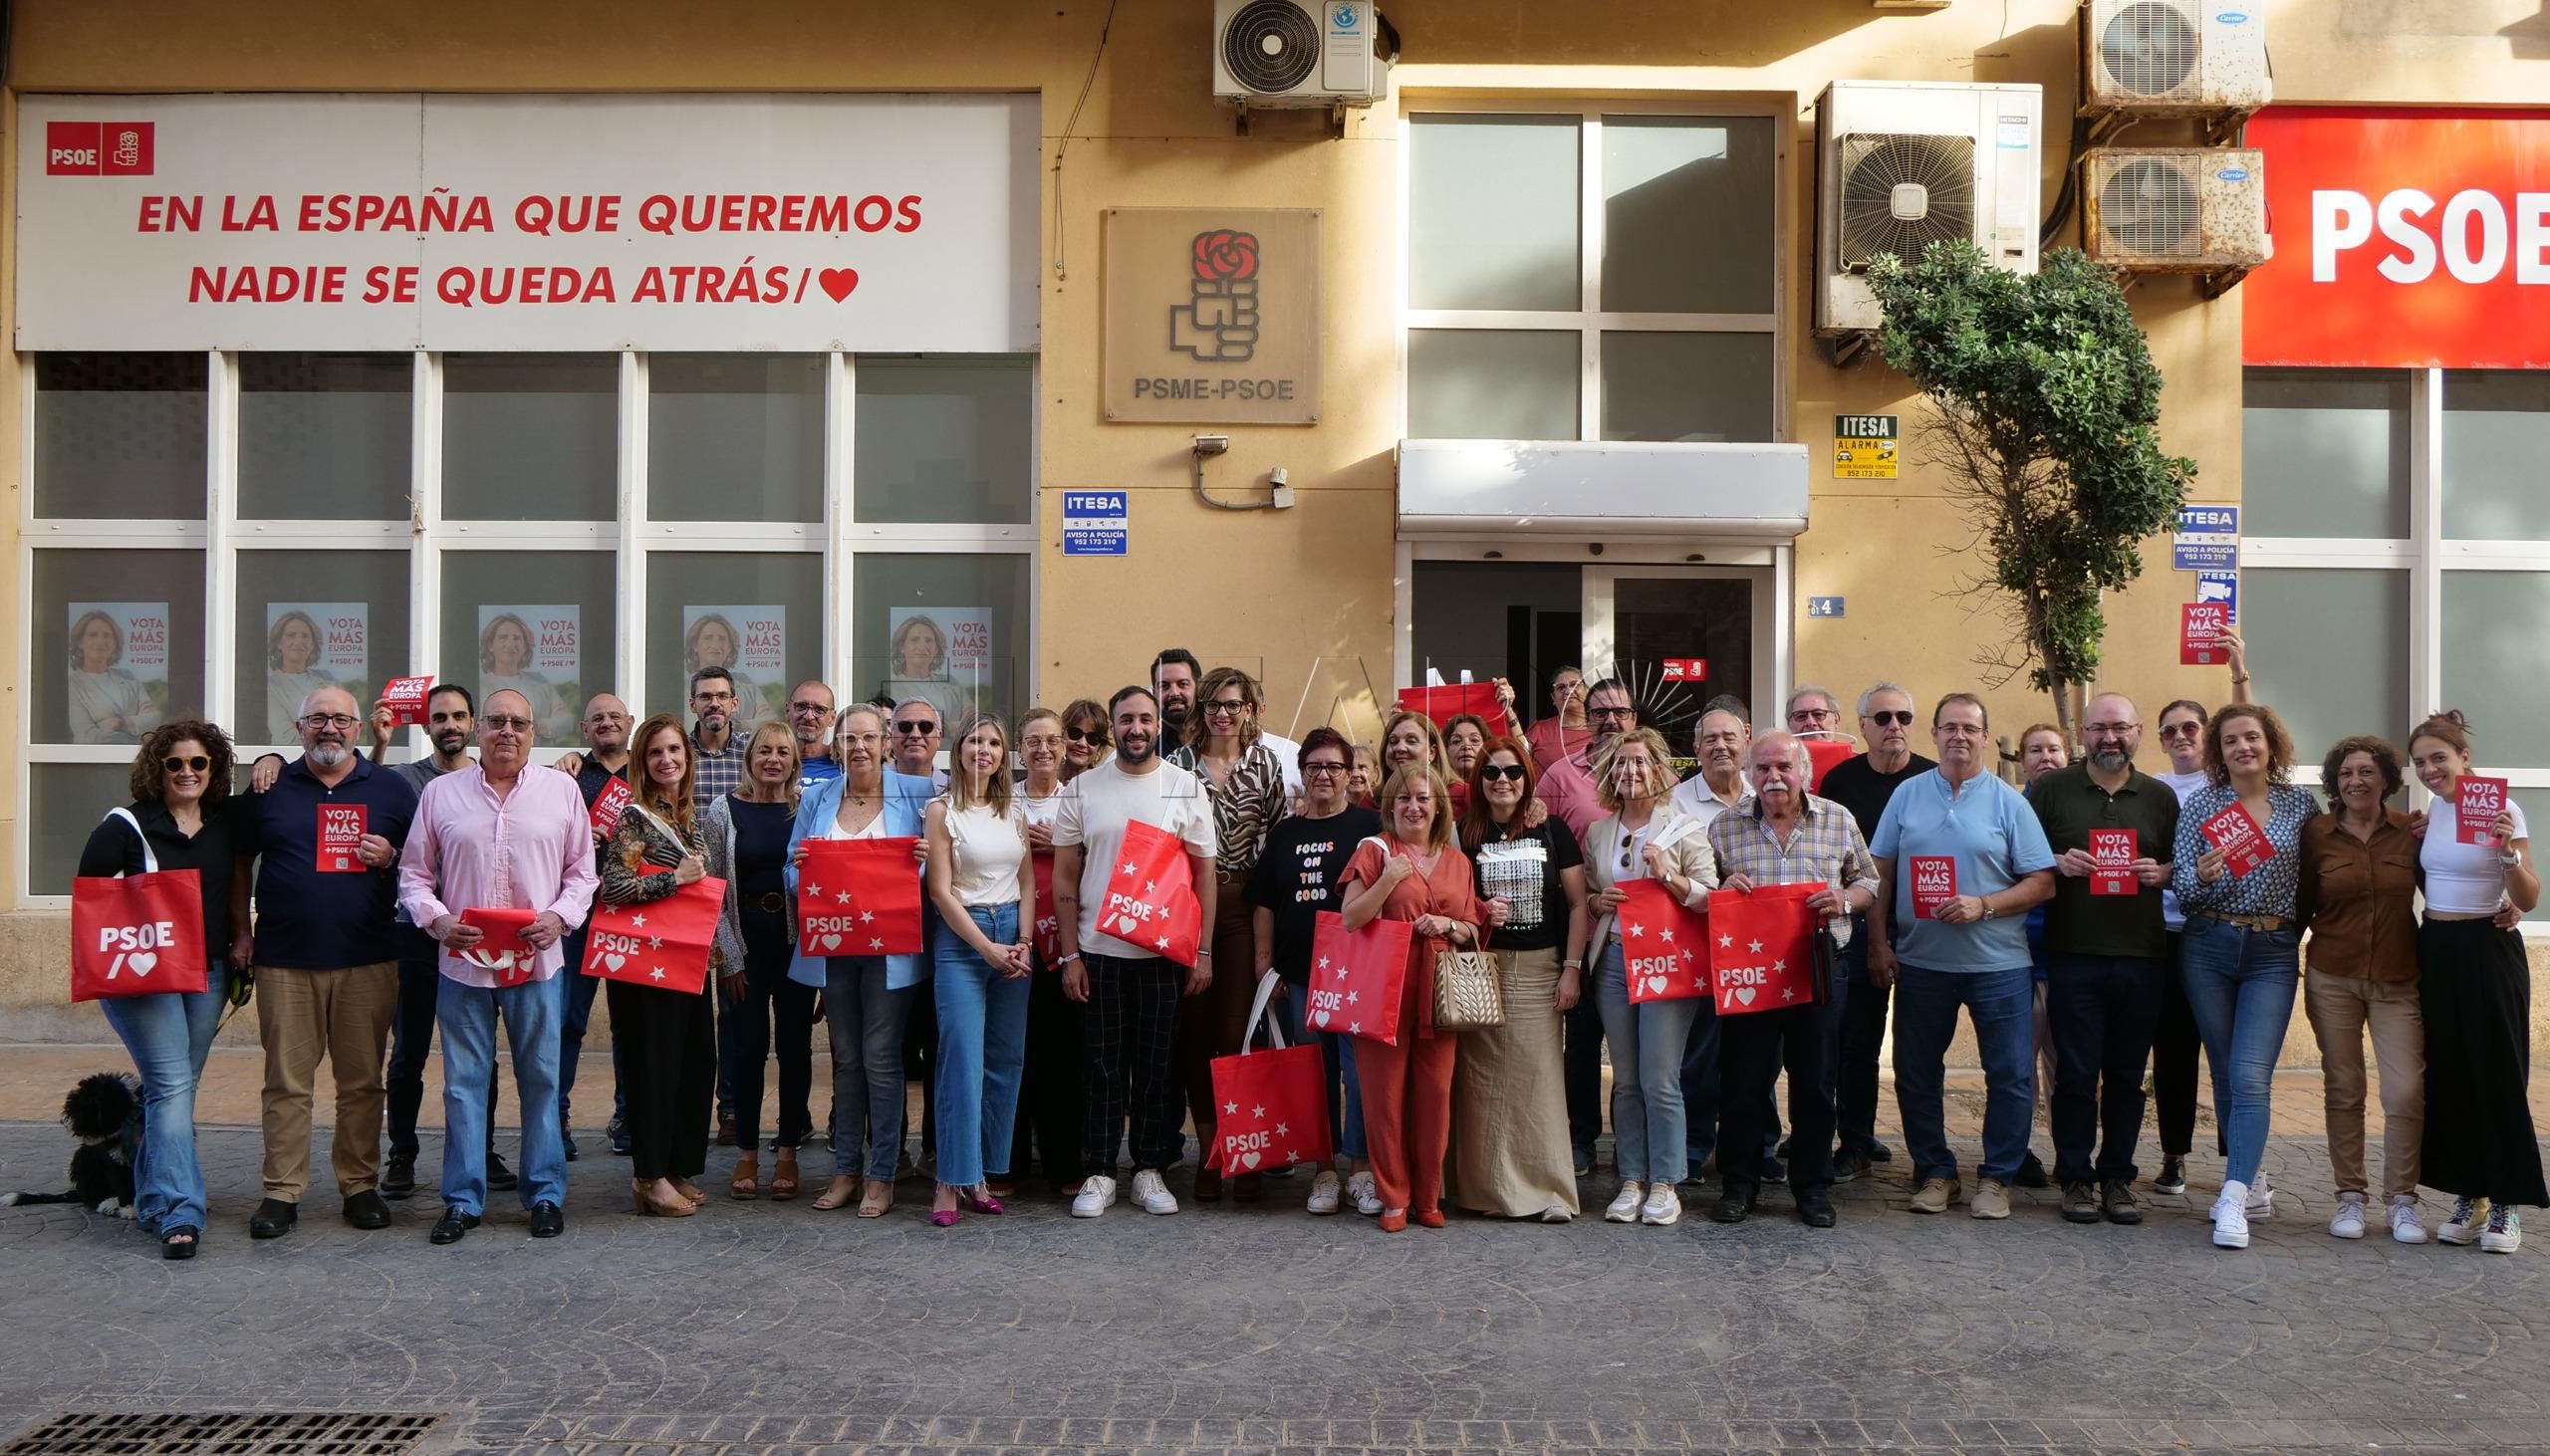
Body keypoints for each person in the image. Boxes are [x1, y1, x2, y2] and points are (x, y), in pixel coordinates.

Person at [397, 688, 599, 1244]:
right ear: (479, 730)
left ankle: (545, 1193)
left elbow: (583, 874)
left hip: (537, 964)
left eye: (518, 723)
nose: (506, 731)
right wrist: (435, 921)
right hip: (463, 966)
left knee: (540, 1078)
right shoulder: (441, 794)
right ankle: (462, 1200)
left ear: (533, 733)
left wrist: (560, 918)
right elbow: (414, 875)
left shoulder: (562, 792)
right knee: (463, 1085)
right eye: (496, 722)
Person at [230, 686, 419, 1242]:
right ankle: (281, 1191)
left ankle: (359, 1186)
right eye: (318, 719)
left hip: (369, 958)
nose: (329, 728)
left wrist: (394, 857)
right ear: (299, 726)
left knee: (361, 1082)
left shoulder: (390, 789)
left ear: (359, 728)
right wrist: (241, 933)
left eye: (340, 719)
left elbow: (429, 863)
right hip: (285, 960)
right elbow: (239, 862)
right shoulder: (270, 785)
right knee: (286, 1082)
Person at [1868, 692, 2056, 1221]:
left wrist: (1985, 905)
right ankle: (1935, 1171)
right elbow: (1879, 875)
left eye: (1970, 728)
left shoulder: (2008, 801)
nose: (1959, 737)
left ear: (1984, 735)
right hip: (1923, 964)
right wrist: (1880, 943)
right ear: (1934, 734)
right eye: (1949, 727)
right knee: (1916, 1071)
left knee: (2011, 1073)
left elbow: (2042, 883)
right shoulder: (1907, 796)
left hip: (1999, 966)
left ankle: (1997, 1177)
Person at [1052, 686, 1219, 1220]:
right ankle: (1100, 1170)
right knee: (1100, 1067)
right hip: (1098, 953)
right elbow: (1063, 875)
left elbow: (1204, 876)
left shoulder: (1185, 788)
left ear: (1158, 725)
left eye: (1146, 719)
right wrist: (1069, 955)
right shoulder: (1081, 788)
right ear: (1113, 728)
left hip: (1163, 956)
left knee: (1157, 1067)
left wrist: (1205, 950)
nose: (1137, 728)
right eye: (1126, 719)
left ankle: (1150, 1168)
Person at [79, 720, 242, 1259]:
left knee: (174, 1087)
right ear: (158, 768)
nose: (187, 772)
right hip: (143, 976)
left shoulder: (223, 823)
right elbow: (93, 905)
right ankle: (180, 1210)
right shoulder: (126, 827)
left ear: (213, 768)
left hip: (209, 971)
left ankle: (149, 1198)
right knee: (172, 1085)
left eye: (199, 763)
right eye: (175, 763)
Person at [1706, 732, 1881, 1229]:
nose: (1773, 777)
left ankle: (1812, 1187)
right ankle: (1739, 1185)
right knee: (1742, 1084)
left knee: (1816, 1082)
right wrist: (1721, 888)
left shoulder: (1837, 819)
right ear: (1750, 774)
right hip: (1751, 975)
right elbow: (1701, 889)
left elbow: (1868, 880)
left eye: (1783, 767)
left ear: (1803, 771)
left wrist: (1845, 901)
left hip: (1820, 968)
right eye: (1762, 768)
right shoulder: (1725, 825)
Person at [2027, 693, 2178, 1228]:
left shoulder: (2159, 797)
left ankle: (2117, 1177)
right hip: (2072, 955)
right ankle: (2074, 1176)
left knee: (2126, 1075)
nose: (2108, 738)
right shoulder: (2050, 789)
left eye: (2119, 728)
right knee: (2073, 1074)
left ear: (2138, 731)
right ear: (2082, 735)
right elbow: (2016, 856)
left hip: (2142, 956)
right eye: (2098, 729)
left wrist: (2165, 874)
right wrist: (2054, 860)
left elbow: (2180, 864)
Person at [2170, 701, 2316, 1250]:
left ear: (2270, 744)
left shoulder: (2301, 806)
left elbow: (2327, 870)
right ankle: (2250, 1180)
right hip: (2207, 945)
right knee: (2228, 1070)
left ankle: (2231, 1197)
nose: (2242, 748)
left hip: (2273, 952)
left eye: (2251, 737)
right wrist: (2203, 874)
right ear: (2219, 751)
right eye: (2230, 741)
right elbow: (2184, 889)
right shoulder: (2204, 803)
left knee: (2251, 1074)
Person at [2406, 711, 2543, 1253]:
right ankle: (2469, 1195)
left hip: (2488, 949)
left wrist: (2506, 851)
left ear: (2465, 757)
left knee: (2498, 1072)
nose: (2430, 769)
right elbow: (2431, 879)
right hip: (2436, 948)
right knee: (2451, 1072)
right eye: (2420, 762)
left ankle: (2506, 1204)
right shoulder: (2432, 814)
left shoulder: (2504, 808)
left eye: (2439, 757)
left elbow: (2530, 898)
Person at [790, 705, 934, 1216]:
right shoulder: (818, 797)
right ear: (835, 746)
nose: (859, 748)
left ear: (886, 744)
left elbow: (942, 866)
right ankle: (847, 1167)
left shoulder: (918, 795)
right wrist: (805, 871)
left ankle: (883, 1174)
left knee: (881, 1058)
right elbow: (791, 870)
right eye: (848, 738)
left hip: (890, 950)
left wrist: (925, 863)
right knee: (846, 1061)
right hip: (834, 949)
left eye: (869, 738)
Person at [371, 685, 514, 1193]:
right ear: (426, 725)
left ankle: (483, 1150)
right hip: (416, 933)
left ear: (474, 723)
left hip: (479, 936)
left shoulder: (493, 780)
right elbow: (361, 789)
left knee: (480, 1053)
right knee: (408, 1048)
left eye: (458, 716)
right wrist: (381, 744)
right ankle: (402, 1155)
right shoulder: (405, 779)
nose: (449, 724)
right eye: (439, 717)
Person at [1338, 761, 1485, 1232]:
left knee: (1435, 1099)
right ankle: (1393, 1197)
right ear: (1390, 806)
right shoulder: (1376, 850)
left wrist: (1449, 926)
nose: (1414, 806)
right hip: (1384, 989)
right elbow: (1350, 917)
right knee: (1383, 1100)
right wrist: (1388, 879)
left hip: (1441, 994)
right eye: (1403, 798)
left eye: (1423, 798)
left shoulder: (1458, 861)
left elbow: (1472, 927)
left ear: (1438, 806)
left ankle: (1427, 1196)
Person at [603, 714, 739, 1219]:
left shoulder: (689, 820)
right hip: (645, 969)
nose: (667, 760)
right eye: (657, 752)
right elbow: (612, 887)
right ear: (642, 761)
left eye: (675, 752)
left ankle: (675, 1166)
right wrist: (674, 880)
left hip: (687, 965)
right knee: (653, 1069)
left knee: (693, 1065)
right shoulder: (634, 818)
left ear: (688, 759)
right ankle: (649, 1177)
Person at [1582, 726, 1719, 1227]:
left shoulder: (1683, 828)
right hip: (1615, 960)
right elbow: (1591, 895)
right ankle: (1631, 1178)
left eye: (1640, 762)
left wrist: (1666, 873)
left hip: (1665, 962)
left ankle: (1666, 1182)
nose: (1630, 771)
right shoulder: (1598, 831)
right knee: (1625, 1081)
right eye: (1621, 763)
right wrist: (1599, 901)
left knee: (1660, 1078)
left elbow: (1709, 896)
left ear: (1659, 770)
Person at [2294, 734, 2426, 1244]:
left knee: (2406, 1089)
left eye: (2367, 772)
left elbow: (2441, 893)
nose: (2356, 781)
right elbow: (2301, 904)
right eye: (2347, 773)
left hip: (2399, 978)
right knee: (2345, 1087)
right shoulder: (2317, 835)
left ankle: (2403, 1200)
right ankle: (2350, 1196)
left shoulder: (2409, 833)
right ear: (2335, 781)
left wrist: (2501, 906)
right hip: (2332, 977)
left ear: (2386, 780)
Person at [1247, 728, 1385, 1216]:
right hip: (1300, 974)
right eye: (1314, 767)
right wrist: (1266, 965)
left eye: (1334, 767)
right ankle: (1324, 1170)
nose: (1323, 775)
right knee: (1315, 1075)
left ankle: (1361, 1169)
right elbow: (1264, 902)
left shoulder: (1372, 826)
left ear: (1350, 775)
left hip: (1357, 977)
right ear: (1301, 775)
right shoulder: (1285, 833)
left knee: (1359, 1074)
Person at [1451, 736, 1587, 1222]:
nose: (1502, 780)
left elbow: (1577, 906)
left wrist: (1571, 970)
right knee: (1481, 1083)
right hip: (1481, 968)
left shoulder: (1552, 829)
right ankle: (1485, 1193)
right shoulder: (1463, 833)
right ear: (1478, 781)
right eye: (1491, 773)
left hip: (1540, 968)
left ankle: (1548, 1192)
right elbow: (1449, 902)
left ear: (1527, 778)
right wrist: (1480, 911)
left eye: (1512, 772)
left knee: (1539, 1081)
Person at [1168, 666, 1291, 1202]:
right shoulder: (1176, 766)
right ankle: (1210, 1152)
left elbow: (1276, 847)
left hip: (1244, 908)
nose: (1222, 713)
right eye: (1214, 703)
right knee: (1193, 1036)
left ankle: (1244, 1150)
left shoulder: (1267, 766)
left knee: (1237, 1033)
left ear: (1250, 710)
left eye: (1233, 704)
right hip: (1187, 908)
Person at [923, 713, 1036, 1226]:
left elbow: (1029, 882)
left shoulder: (1014, 811)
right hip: (964, 938)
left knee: (1004, 1061)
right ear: (958, 750)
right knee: (960, 1062)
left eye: (993, 742)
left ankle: (983, 1175)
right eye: (973, 740)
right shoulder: (941, 810)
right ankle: (950, 1180)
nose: (983, 750)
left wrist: (1023, 942)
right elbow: (940, 892)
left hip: (1012, 933)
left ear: (1003, 754)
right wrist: (987, 948)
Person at [1818, 680, 1932, 1180]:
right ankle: (1857, 1140)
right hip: (1863, 927)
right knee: (1858, 1042)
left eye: (1903, 718)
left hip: (1931, 928)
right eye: (1882, 718)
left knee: (1922, 1046)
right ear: (1862, 726)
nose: (1894, 728)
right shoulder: (1841, 781)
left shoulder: (1933, 778)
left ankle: (1931, 1154)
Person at [707, 721, 816, 1200]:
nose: (773, 759)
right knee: (746, 1051)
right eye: (764, 750)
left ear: (795, 761)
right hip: (743, 947)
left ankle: (789, 1148)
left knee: (795, 1050)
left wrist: (822, 963)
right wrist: (728, 958)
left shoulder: (807, 809)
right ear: (749, 756)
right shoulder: (722, 811)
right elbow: (710, 890)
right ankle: (747, 1151)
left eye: (783, 752)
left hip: (795, 948)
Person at [1010, 709, 1087, 1196]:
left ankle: (1065, 1162)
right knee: (1014, 1052)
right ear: (1019, 748)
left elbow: (1102, 856)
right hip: (1011, 939)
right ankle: (1008, 1162)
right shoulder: (1001, 799)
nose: (1043, 749)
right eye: (1032, 740)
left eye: (1052, 740)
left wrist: (1058, 844)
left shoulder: (1080, 799)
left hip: (1065, 941)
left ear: (1064, 749)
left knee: (1064, 1055)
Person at [2147, 696, 2215, 1196]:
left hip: (2216, 931)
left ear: (2207, 732)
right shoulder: (2155, 790)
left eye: (2189, 727)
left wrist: (2239, 673)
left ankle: (2246, 1164)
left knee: (2233, 1053)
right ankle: (2175, 1154)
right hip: (2165, 934)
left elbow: (2254, 726)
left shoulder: (2228, 785)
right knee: (2172, 1052)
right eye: (2169, 732)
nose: (2181, 737)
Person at [560, 693, 633, 1159]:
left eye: (614, 716)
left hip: (629, 913)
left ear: (630, 723)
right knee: (567, 1019)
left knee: (630, 1021)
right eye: (597, 719)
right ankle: (557, 1116)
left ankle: (627, 1115)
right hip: (577, 915)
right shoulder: (566, 777)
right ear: (585, 731)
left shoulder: (645, 773)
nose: (606, 723)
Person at [1540, 679, 1636, 844]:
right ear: (1587, 719)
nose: (1611, 720)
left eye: (1620, 712)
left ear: (1633, 719)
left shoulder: (1659, 775)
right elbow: (1537, 838)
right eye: (1600, 713)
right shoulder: (1558, 776)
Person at [477, 612, 575, 743]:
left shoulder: (540, 682)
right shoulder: (480, 686)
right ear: (490, 645)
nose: (510, 644)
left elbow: (567, 719)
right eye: (503, 637)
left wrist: (538, 727)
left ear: (525, 646)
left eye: (517, 638)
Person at [68, 608, 160, 745]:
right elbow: (86, 737)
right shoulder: (73, 685)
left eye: (107, 635)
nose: (101, 640)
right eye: (93, 635)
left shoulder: (128, 677)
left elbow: (156, 719)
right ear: (80, 642)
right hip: (95, 763)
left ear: (114, 643)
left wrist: (121, 723)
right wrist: (136, 733)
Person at [264, 609, 337, 745]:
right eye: (291, 635)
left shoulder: (328, 679)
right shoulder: (270, 687)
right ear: (279, 643)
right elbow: (285, 738)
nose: (299, 641)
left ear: (313, 644)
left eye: (305, 636)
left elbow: (347, 721)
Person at [1669, 707, 1751, 826]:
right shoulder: (1675, 802)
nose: (1720, 746)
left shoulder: (1760, 792)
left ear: (1745, 745)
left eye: (1729, 738)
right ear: (1697, 750)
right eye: (1711, 740)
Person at [881, 613, 965, 727]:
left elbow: (971, 715)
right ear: (902, 647)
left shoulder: (951, 683)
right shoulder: (891, 690)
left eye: (928, 640)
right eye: (914, 640)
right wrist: (949, 727)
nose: (922, 646)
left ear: (936, 649)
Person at [683, 666, 749, 807]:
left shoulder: (753, 749)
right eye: (705, 697)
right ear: (693, 705)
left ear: (734, 704)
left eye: (722, 696)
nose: (714, 704)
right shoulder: (678, 752)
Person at [683, 612, 763, 725]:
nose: (715, 644)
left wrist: (740, 725)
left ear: (730, 647)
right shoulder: (683, 688)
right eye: (708, 638)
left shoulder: (746, 684)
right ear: (695, 645)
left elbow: (769, 720)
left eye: (721, 639)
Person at [1524, 665, 1588, 772]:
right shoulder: (1539, 729)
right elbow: (1518, 763)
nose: (1568, 691)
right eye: (1561, 687)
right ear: (1553, 698)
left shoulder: (1601, 730)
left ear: (1587, 691)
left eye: (1575, 685)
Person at [786, 680, 841, 786]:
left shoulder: (844, 763)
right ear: (788, 710)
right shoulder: (771, 761)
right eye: (801, 707)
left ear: (832, 718)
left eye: (819, 710)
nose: (809, 716)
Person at [1150, 647, 1202, 754]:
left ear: (1198, 687)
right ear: (1154, 692)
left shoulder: (1218, 735)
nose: (1174, 693)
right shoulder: (1146, 744)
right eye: (1164, 686)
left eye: (1183, 684)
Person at [1057, 698, 1112, 782]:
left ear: (1100, 746)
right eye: (1075, 733)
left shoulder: (1102, 789)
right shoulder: (1038, 780)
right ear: (1061, 734)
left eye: (1092, 738)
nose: (1082, 743)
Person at [1349, 743, 1379, 809]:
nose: (1355, 774)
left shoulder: (1386, 809)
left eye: (1362, 767)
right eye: (1350, 768)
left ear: (1375, 773)